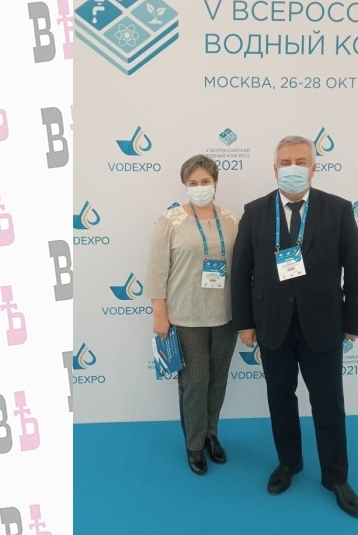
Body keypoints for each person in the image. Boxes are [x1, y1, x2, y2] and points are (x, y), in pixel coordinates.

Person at [230, 135, 358, 518]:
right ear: (275, 168)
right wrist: (245, 323)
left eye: (301, 161)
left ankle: (336, 477)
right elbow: (241, 273)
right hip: (272, 325)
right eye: (286, 161)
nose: (293, 168)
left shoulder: (338, 210)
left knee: (328, 403)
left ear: (313, 167)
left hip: (323, 325)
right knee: (280, 399)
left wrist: (354, 321)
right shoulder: (255, 211)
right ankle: (289, 462)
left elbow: (356, 269)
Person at [146, 155, 240, 476]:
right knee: (195, 382)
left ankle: (211, 434)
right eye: (193, 183)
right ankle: (194, 444)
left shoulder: (232, 220)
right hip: (186, 317)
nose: (200, 187)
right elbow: (157, 270)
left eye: (205, 181)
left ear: (216, 182)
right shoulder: (170, 221)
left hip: (225, 316)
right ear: (185, 185)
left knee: (217, 380)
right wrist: (160, 314)